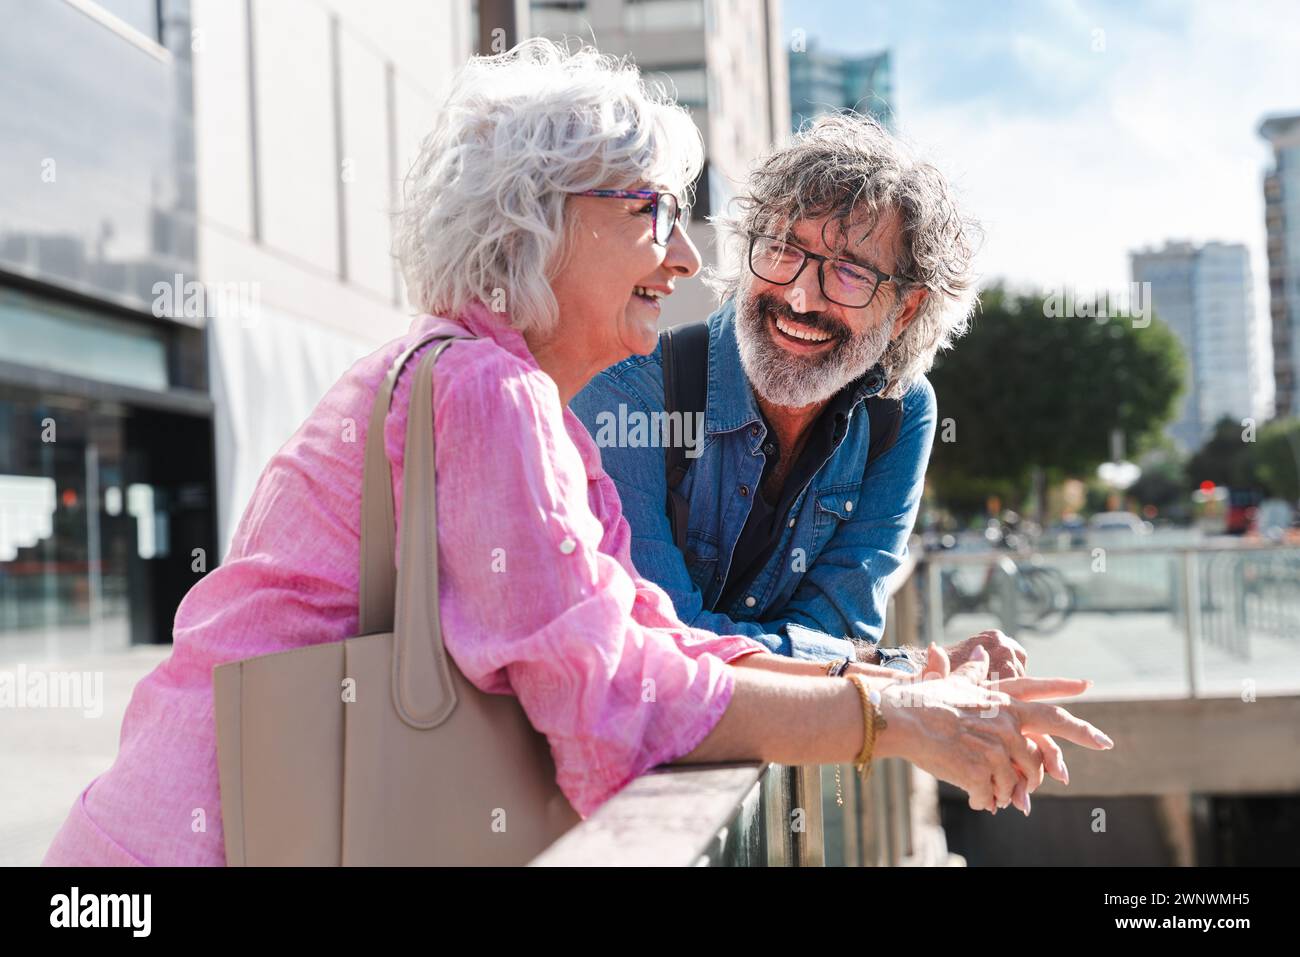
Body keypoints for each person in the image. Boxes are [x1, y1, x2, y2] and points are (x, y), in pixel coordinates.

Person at [43, 40, 1109, 866]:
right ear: (537, 220)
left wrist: (899, 683)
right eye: (653, 214)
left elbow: (645, 633)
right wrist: (889, 717)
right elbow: (617, 701)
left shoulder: (492, 384)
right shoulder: (489, 390)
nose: (692, 259)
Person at [572, 113, 1030, 677]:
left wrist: (843, 658)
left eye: (850, 273)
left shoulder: (900, 413)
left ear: (906, 308)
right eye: (783, 248)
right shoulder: (628, 388)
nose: (801, 297)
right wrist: (902, 667)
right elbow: (657, 644)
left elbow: (841, 628)